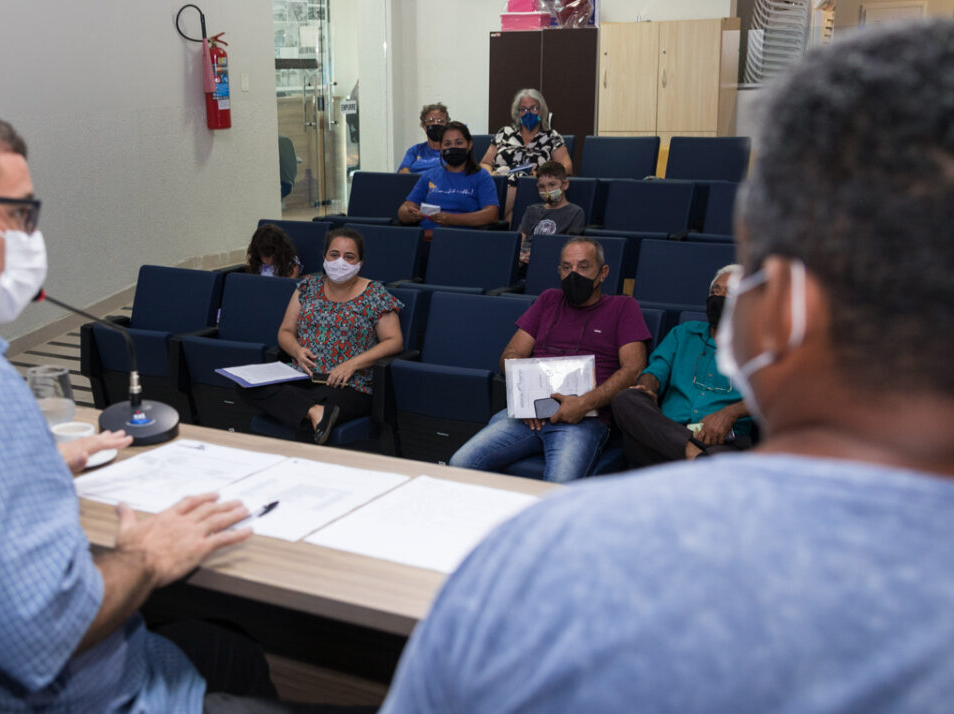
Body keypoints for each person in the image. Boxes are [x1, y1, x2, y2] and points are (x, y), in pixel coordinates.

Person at [382, 20, 954, 712]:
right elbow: (548, 362)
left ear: (760, 320)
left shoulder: (530, 570)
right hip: (541, 414)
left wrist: (586, 404)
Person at [0, 91, 331, 714]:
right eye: (18, 213)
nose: (30, 237)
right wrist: (146, 554)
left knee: (228, 649)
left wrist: (25, 466)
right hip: (79, 697)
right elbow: (41, 635)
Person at [449, 237, 649, 482]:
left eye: (583, 266)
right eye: (567, 267)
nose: (573, 274)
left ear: (603, 272)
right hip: (530, 413)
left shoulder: (623, 307)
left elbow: (634, 368)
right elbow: (510, 356)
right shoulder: (548, 300)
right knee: (460, 464)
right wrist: (527, 395)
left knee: (556, 487)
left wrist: (584, 404)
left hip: (583, 418)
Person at [240, 227, 404, 445]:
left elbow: (394, 341)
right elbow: (286, 332)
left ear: (360, 262)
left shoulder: (375, 294)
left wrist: (352, 364)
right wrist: (296, 351)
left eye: (349, 257)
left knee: (296, 406)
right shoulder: (308, 286)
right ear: (325, 257)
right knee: (247, 384)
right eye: (334, 255)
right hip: (303, 376)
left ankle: (310, 414)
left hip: (348, 384)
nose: (340, 262)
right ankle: (316, 413)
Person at [611, 265, 752, 467]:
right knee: (626, 398)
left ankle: (686, 463)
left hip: (721, 442)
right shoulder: (683, 333)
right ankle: (694, 457)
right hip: (667, 432)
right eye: (715, 291)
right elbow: (655, 371)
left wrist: (730, 413)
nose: (719, 297)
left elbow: (775, 397)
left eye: (730, 292)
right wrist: (648, 387)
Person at [479, 88, 572, 222]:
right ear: (517, 113)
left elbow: (566, 167)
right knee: (511, 217)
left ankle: (488, 219)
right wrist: (491, 173)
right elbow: (485, 163)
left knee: (520, 177)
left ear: (542, 111)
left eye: (534, 108)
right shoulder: (505, 132)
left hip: (531, 185)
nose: (528, 113)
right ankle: (502, 228)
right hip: (498, 183)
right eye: (523, 109)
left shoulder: (551, 136)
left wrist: (540, 173)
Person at [397, 121, 500, 234]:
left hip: (462, 239)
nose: (453, 147)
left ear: (469, 145)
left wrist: (453, 219)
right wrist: (408, 214)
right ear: (441, 149)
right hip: (426, 238)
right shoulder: (429, 175)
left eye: (459, 143)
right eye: (447, 144)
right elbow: (404, 209)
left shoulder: (481, 176)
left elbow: (492, 214)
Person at [516, 159, 585, 268]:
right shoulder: (532, 210)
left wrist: (539, 255)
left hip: (551, 261)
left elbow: (570, 248)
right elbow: (520, 239)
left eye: (552, 185)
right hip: (524, 260)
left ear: (565, 185)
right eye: (542, 186)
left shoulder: (575, 212)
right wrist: (518, 255)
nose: (547, 190)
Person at [397, 103, 449, 174]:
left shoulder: (453, 151)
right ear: (424, 126)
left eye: (440, 120)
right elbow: (403, 172)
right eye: (431, 120)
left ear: (447, 125)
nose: (436, 124)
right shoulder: (415, 151)